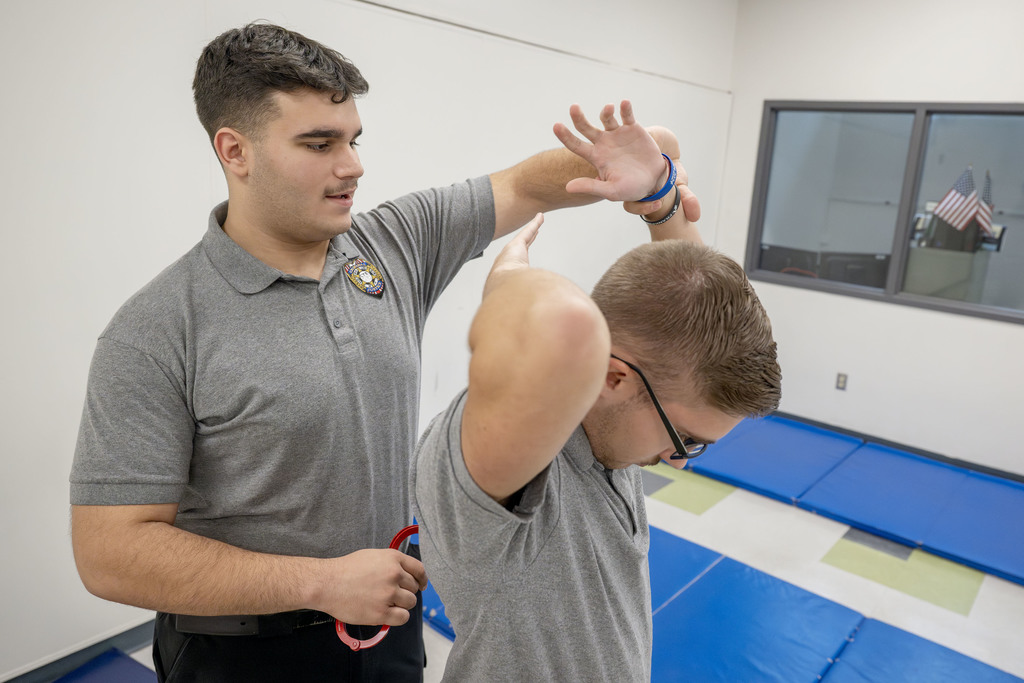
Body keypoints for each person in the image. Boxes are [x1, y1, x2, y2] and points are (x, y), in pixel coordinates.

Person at [68, 21, 694, 683]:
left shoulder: (393, 243)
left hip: (387, 629)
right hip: (240, 656)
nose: (353, 165)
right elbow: (109, 552)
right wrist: (320, 582)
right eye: (319, 143)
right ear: (235, 151)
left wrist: (650, 174)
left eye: (353, 139)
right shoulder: (156, 329)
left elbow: (537, 182)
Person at [411, 150, 782, 678]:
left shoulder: (619, 424)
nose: (679, 462)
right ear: (613, 377)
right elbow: (565, 323)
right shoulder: (511, 465)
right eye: (686, 439)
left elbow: (697, 299)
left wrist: (661, 200)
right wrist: (508, 277)